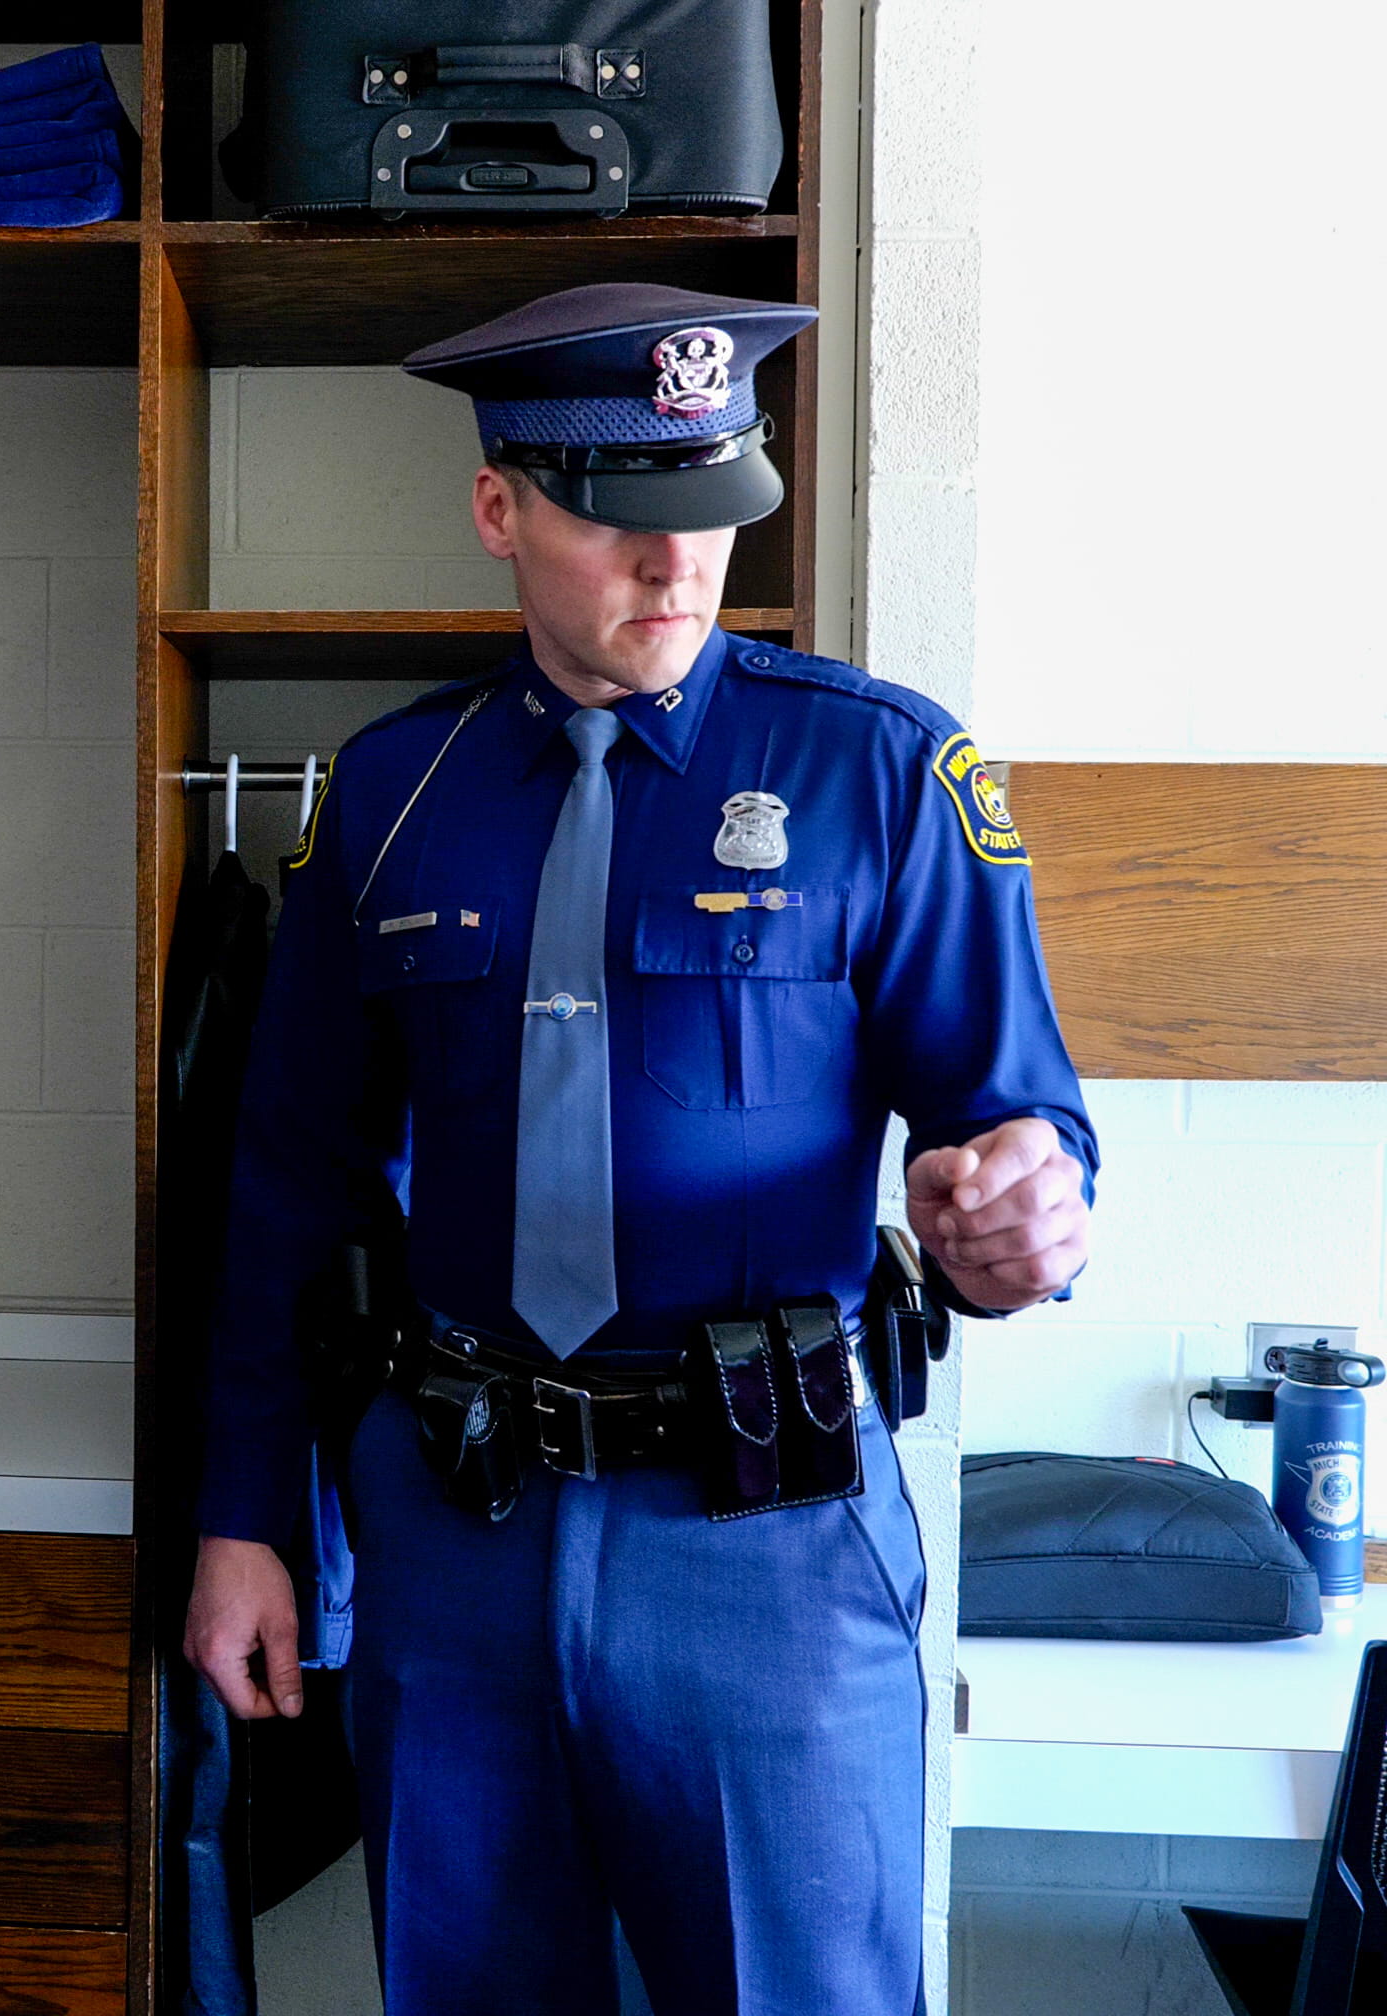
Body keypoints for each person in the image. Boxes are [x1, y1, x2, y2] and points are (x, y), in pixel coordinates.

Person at [181, 283, 1096, 2013]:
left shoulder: (881, 771)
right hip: (458, 1529)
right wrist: (250, 1520)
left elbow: (1022, 1124)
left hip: (760, 1539)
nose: (680, 570)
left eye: (714, 515)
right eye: (622, 519)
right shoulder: (389, 794)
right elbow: (287, 1188)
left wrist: (1025, 1220)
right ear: (501, 509)